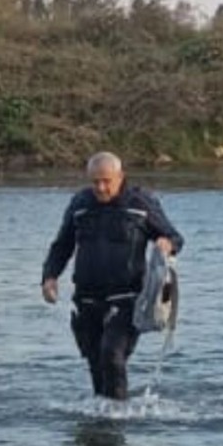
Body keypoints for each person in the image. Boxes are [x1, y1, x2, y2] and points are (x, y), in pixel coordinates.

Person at [41, 152, 184, 400]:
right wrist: (49, 277)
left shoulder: (140, 203)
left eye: (106, 181)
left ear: (120, 177)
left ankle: (116, 420)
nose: (100, 187)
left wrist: (166, 243)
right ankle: (100, 421)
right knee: (96, 363)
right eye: (95, 181)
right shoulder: (80, 204)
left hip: (128, 297)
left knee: (112, 354)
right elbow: (62, 245)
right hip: (87, 298)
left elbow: (175, 237)